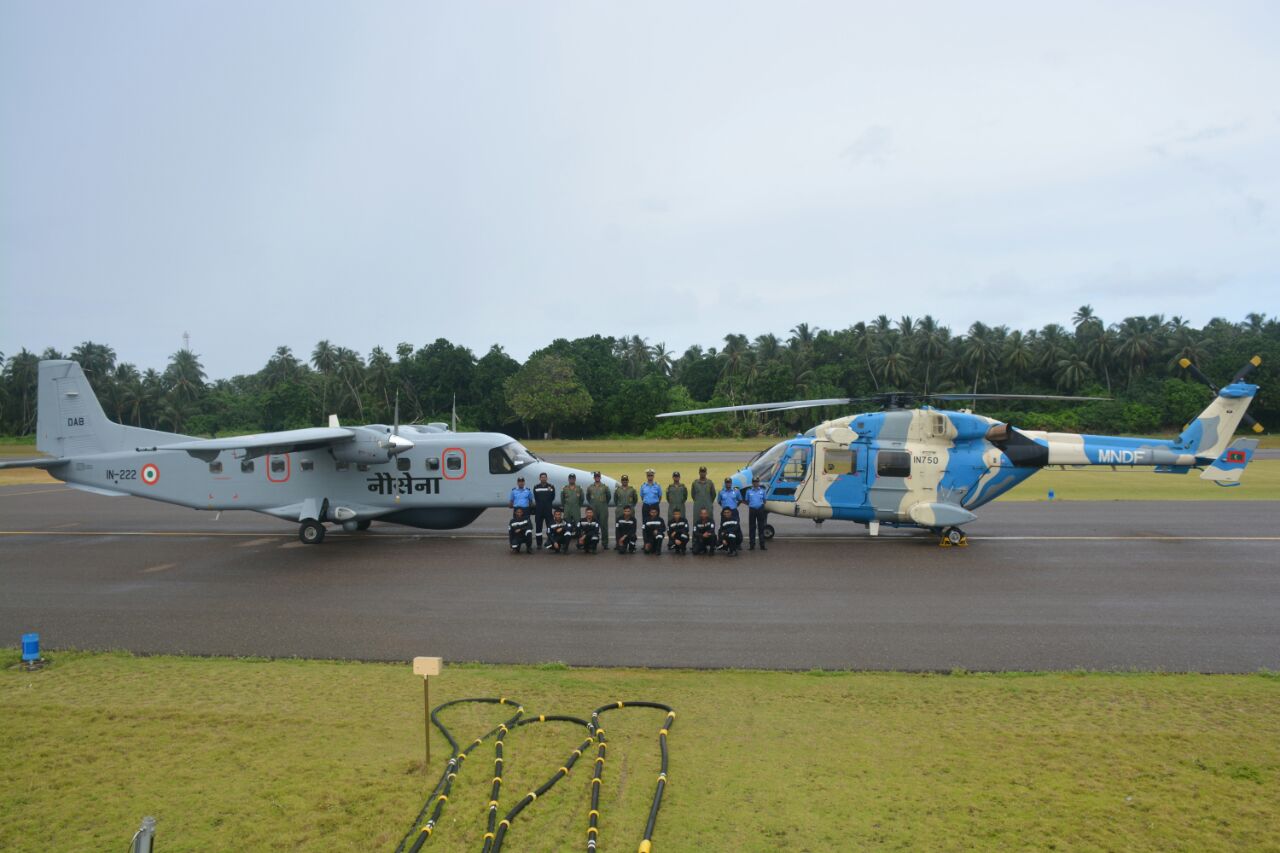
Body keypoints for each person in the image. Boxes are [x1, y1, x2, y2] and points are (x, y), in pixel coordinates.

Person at [586, 472, 612, 549]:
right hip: (593, 508)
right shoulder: (590, 487)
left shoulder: (605, 487)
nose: (597, 478)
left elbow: (609, 497)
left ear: (600, 477)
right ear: (594, 478)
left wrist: (604, 504)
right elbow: (588, 497)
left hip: (603, 508)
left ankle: (605, 543)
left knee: (604, 526)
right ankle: (593, 542)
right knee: (593, 526)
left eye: (598, 476)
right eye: (596, 476)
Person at [532, 472, 556, 549]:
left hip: (548, 511)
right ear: (539, 478)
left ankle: (550, 542)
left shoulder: (551, 487)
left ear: (547, 478)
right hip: (539, 511)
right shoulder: (536, 487)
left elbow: (552, 497)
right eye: (542, 477)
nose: (543, 478)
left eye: (544, 477)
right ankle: (539, 544)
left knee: (550, 527)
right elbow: (536, 498)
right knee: (538, 529)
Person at [744, 476, 768, 551]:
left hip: (760, 509)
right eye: (754, 482)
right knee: (752, 527)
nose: (755, 483)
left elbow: (764, 501)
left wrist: (758, 505)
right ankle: (752, 545)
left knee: (761, 527)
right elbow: (747, 501)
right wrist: (753, 505)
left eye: (757, 482)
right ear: (752, 483)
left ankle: (762, 544)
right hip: (752, 510)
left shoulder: (762, 491)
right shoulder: (749, 491)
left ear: (759, 482)